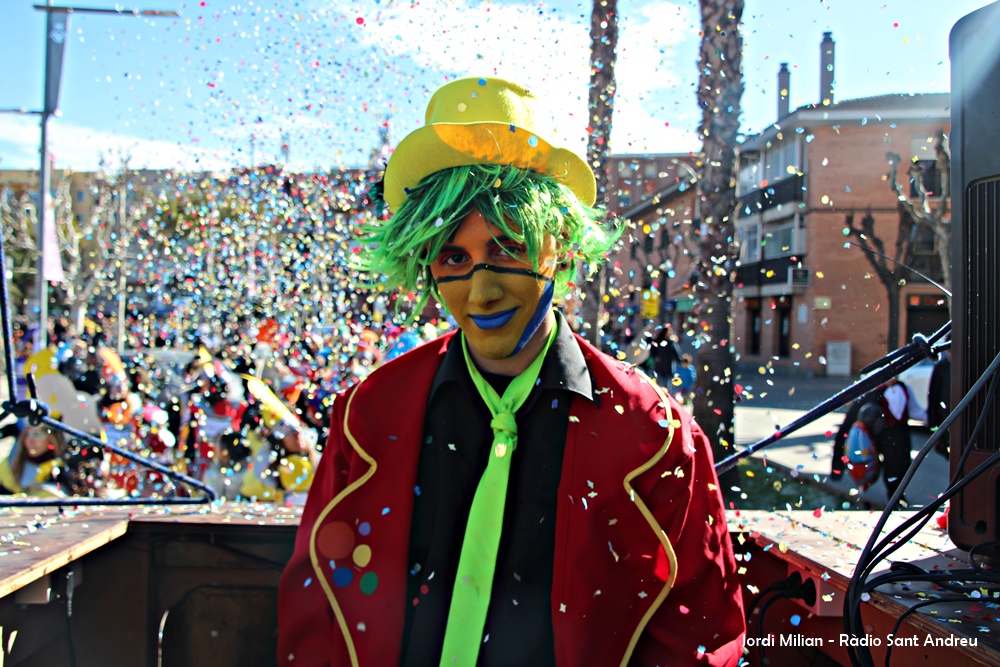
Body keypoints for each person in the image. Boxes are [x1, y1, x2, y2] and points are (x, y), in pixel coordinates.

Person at [277, 77, 744, 666]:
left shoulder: (657, 438)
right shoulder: (367, 415)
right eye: (454, 257)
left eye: (507, 248)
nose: (482, 289)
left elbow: (698, 638)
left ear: (562, 249)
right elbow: (315, 613)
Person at [877, 376, 927, 504]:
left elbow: (914, 409)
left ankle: (900, 492)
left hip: (902, 431)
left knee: (905, 463)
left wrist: (929, 418)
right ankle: (892, 495)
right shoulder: (878, 391)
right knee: (890, 464)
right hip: (887, 433)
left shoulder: (904, 388)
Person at [927, 350, 951, 457]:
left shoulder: (967, 365)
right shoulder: (941, 368)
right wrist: (933, 426)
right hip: (945, 417)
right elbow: (933, 397)